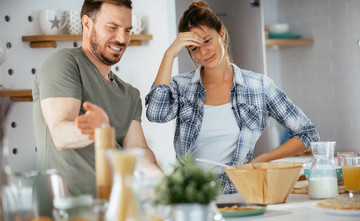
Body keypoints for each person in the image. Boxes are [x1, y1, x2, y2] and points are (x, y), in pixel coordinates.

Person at [145, 1, 320, 194]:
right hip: (193, 195)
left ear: (221, 33)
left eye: (207, 40)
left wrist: (261, 160)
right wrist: (169, 54)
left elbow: (308, 134)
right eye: (194, 48)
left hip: (240, 192)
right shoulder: (181, 87)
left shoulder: (259, 86)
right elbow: (156, 113)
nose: (203, 52)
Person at [33, 0, 163, 196]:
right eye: (112, 27)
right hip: (63, 211)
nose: (121, 38)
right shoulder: (64, 63)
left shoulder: (130, 94)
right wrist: (97, 130)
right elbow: (60, 135)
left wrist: (168, 185)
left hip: (114, 210)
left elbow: (138, 153)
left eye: (127, 30)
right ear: (87, 24)